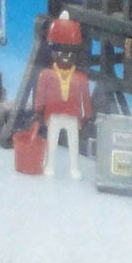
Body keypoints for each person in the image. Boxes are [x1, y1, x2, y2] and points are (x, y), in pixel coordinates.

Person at [33, 10, 92, 180]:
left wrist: (88, 116)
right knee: (52, 142)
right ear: (53, 53)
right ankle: (49, 165)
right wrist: (38, 111)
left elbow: (85, 99)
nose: (65, 57)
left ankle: (74, 168)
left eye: (70, 53)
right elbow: (41, 95)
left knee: (74, 144)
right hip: (54, 115)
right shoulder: (46, 75)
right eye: (60, 52)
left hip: (72, 116)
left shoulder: (80, 78)